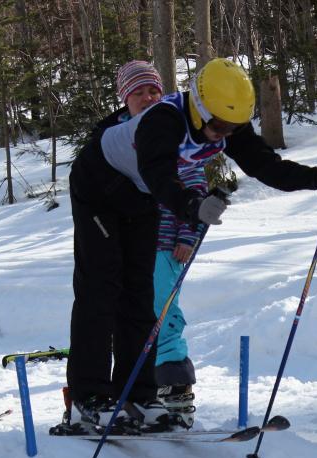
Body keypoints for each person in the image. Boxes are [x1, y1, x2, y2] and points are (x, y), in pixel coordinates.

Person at [66, 57, 317, 431]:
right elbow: (159, 175)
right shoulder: (163, 120)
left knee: (140, 294)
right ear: (200, 107)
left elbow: (264, 165)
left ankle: (138, 394)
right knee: (101, 288)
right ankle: (89, 397)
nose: (222, 133)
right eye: (217, 125)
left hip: (142, 197)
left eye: (231, 127)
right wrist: (192, 206)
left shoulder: (224, 117)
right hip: (99, 188)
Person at [114, 60, 203, 427]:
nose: (148, 97)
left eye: (153, 90)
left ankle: (175, 387)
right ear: (125, 98)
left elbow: (195, 188)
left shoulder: (174, 134)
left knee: (164, 315)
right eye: (139, 92)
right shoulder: (118, 137)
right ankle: (139, 391)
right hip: (129, 247)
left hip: (166, 247)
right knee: (133, 319)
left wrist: (188, 235)